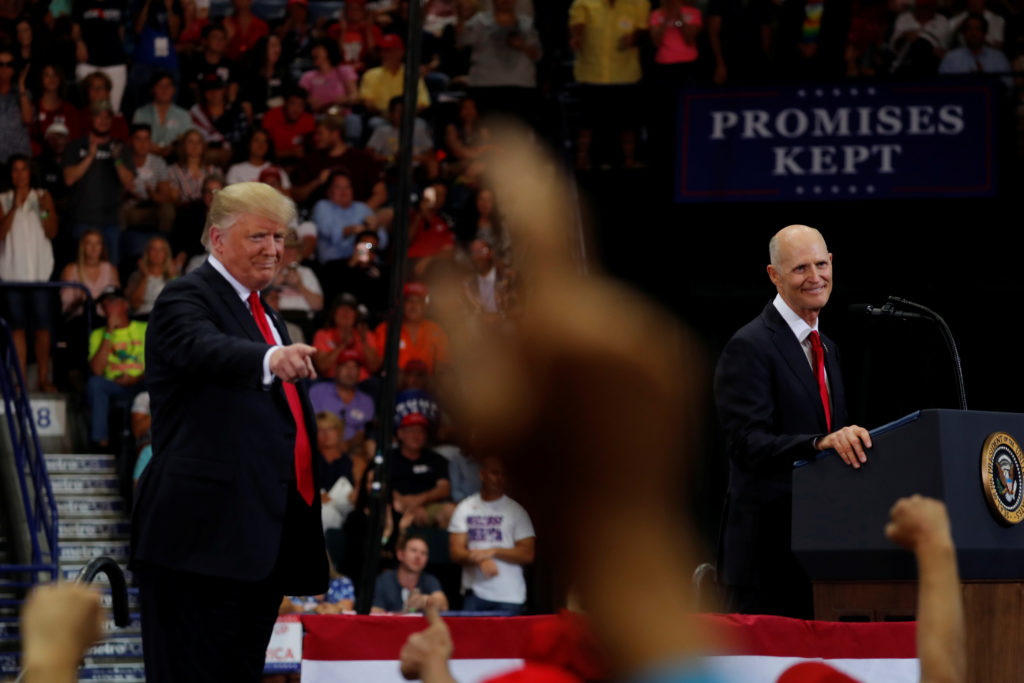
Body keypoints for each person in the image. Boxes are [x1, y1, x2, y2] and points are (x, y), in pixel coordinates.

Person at [131, 181, 328, 683]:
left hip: (255, 545)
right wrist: (269, 357)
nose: (274, 250)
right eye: (259, 236)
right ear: (217, 240)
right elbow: (204, 349)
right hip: (199, 543)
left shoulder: (268, 315)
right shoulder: (184, 299)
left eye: (280, 238)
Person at [714, 224, 872, 619]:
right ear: (775, 276)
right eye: (801, 268)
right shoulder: (749, 345)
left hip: (819, 551)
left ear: (832, 263)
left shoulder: (828, 349)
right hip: (765, 559)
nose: (815, 277)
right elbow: (746, 443)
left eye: (821, 264)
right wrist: (819, 442)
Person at [0, 155, 59, 392]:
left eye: (24, 169)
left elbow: (52, 231)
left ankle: (44, 379)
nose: (20, 174)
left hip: (39, 275)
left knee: (43, 329)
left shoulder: (43, 196)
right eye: (15, 170)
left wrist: (45, 211)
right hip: (13, 275)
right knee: (17, 330)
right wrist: (14, 206)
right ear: (10, 174)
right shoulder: (3, 199)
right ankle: (21, 381)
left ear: (30, 173)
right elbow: (1, 233)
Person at [448, 454, 535, 614]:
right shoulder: (465, 507)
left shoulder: (517, 510)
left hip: (511, 596)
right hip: (475, 593)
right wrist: (479, 558)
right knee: (471, 639)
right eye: (494, 473)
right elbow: (455, 552)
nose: (499, 478)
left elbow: (528, 554)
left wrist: (492, 551)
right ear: (482, 474)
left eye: (503, 474)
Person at [63, 100, 136, 267]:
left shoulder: (120, 148)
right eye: (98, 116)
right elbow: (69, 179)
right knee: (81, 270)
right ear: (91, 118)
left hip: (111, 221)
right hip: (82, 219)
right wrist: (89, 157)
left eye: (107, 117)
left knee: (110, 270)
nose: (103, 120)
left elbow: (129, 183)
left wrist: (117, 161)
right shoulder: (76, 146)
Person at [87, 286, 146, 448]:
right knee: (95, 383)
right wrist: (109, 331)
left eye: (112, 302)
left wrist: (136, 378)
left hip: (142, 382)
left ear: (125, 305)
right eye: (104, 304)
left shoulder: (144, 329)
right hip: (114, 385)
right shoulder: (98, 334)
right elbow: (97, 370)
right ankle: (101, 442)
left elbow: (159, 364)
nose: (108, 307)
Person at [390, 412, 451, 532]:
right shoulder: (388, 458)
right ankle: (387, 548)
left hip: (428, 505)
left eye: (421, 431)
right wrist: (403, 502)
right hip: (395, 503)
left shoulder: (436, 459)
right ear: (400, 434)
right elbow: (379, 483)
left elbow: (444, 488)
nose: (416, 436)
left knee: (449, 511)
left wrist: (420, 500)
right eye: (411, 431)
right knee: (389, 510)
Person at [371, 533, 449, 613]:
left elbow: (444, 606)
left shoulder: (430, 580)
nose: (418, 556)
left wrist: (425, 600)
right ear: (400, 554)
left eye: (423, 553)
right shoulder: (383, 581)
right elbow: (375, 613)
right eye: (413, 550)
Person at [939, 13, 1011, 88]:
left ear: (985, 33)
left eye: (977, 29)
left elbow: (1009, 86)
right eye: (969, 29)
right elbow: (942, 86)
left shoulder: (998, 58)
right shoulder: (950, 58)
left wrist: (986, 80)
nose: (973, 33)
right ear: (963, 33)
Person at [131, 72, 194, 158]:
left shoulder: (184, 115)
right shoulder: (140, 113)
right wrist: (156, 149)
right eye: (159, 86)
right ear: (152, 89)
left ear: (174, 89)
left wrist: (173, 148)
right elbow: (135, 141)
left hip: (175, 159)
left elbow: (189, 142)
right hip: (147, 159)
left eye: (168, 86)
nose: (164, 90)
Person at [125, 235, 178, 318]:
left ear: (166, 254)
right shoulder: (137, 276)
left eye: (161, 250)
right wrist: (145, 277)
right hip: (141, 318)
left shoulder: (174, 276)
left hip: (165, 318)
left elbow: (177, 303)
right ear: (147, 252)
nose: (157, 253)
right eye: (153, 249)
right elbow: (134, 305)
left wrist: (173, 277)